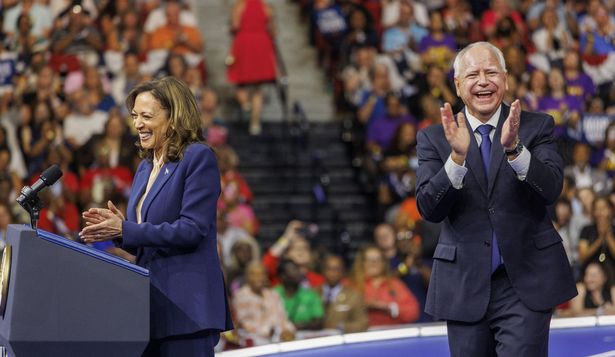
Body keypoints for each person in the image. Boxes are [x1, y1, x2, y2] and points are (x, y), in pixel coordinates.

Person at [415, 41, 576, 356]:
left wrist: (515, 149)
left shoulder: (537, 126)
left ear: (505, 79)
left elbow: (551, 188)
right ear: (458, 85)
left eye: (491, 72)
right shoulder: (435, 138)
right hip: (464, 285)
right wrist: (457, 159)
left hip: (524, 282)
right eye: (473, 74)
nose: (483, 81)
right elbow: (429, 209)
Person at [79, 77, 233, 357]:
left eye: (147, 116)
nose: (137, 124)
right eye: (135, 116)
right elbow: (145, 242)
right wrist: (117, 231)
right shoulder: (145, 167)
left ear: (173, 118)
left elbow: (192, 230)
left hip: (186, 309)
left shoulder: (198, 157)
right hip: (150, 310)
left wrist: (127, 229)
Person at [318, 254, 368, 333]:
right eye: (329, 269)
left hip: (342, 340)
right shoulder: (313, 293)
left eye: (337, 269)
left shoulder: (353, 296)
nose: (332, 273)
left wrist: (340, 327)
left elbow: (362, 324)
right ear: (323, 270)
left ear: (343, 272)